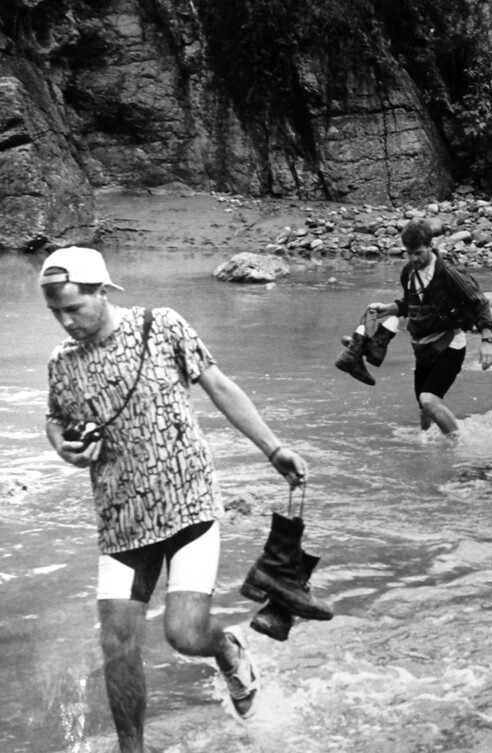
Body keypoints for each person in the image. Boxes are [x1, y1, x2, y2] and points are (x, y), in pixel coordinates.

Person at [40, 246, 308, 752]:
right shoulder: (63, 362)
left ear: (102, 291)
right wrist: (65, 446)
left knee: (184, 635)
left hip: (188, 505)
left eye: (73, 308)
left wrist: (274, 448)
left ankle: (228, 649)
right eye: (55, 311)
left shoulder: (159, 326)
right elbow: (55, 419)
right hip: (121, 521)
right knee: (116, 645)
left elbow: (219, 386)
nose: (65, 321)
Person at [366, 221, 492, 436]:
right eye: (409, 254)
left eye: (418, 253)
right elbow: (411, 303)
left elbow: (480, 303)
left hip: (449, 345)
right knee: (424, 410)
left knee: (429, 400)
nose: (414, 259)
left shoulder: (449, 274)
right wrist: (390, 309)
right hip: (423, 348)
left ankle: (460, 446)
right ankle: (427, 452)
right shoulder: (408, 272)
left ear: (430, 246)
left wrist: (487, 341)